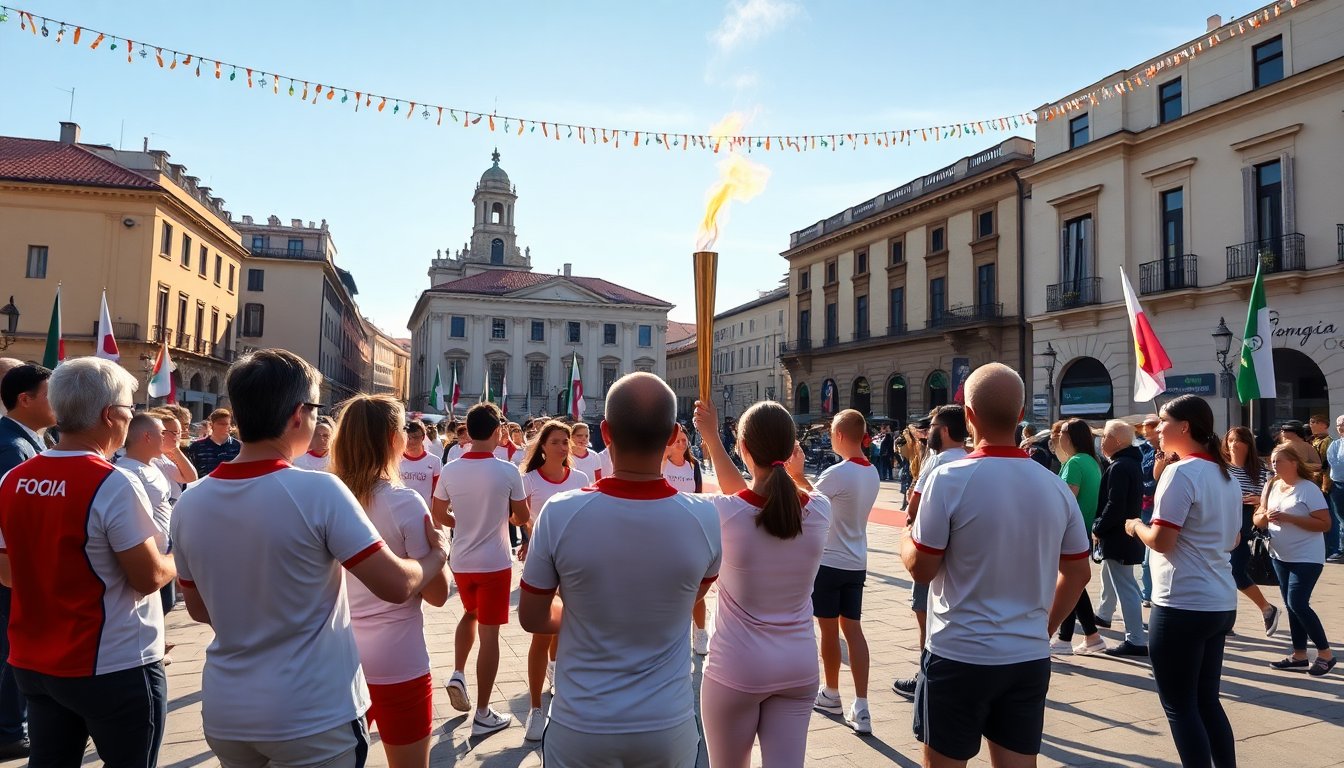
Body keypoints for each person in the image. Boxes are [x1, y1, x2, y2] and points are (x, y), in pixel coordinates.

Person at [171, 349, 449, 767]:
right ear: (298, 415)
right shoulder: (318, 491)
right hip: (311, 712)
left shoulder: (190, 501)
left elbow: (198, 609)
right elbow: (396, 585)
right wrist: (438, 556)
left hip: (228, 710)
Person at [518, 373, 721, 767]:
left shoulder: (560, 513)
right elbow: (682, 603)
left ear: (605, 433)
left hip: (581, 723)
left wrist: (584, 611)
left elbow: (532, 616)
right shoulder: (705, 519)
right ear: (672, 435)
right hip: (666, 724)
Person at [902, 363, 1091, 766]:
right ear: (1020, 414)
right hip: (1026, 656)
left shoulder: (948, 478)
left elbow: (922, 569)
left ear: (969, 415)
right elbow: (1078, 572)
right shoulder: (1056, 487)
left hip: (958, 652)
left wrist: (905, 540)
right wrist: (1045, 627)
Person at [0, 357, 175, 766]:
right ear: (110, 415)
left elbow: (8, 575)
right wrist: (181, 556)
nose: (131, 418)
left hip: (36, 661)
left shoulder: (13, 479)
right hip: (112, 662)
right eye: (130, 409)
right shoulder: (113, 482)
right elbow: (148, 577)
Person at [693, 398, 831, 768]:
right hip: (798, 666)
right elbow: (755, 499)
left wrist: (712, 439)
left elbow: (742, 502)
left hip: (737, 667)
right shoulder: (820, 510)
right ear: (791, 450)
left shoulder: (722, 513)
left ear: (743, 447)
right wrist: (716, 441)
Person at [331, 395, 451, 767]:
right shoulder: (404, 502)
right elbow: (437, 594)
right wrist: (440, 554)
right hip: (398, 659)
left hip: (336, 657)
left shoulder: (324, 497)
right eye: (402, 429)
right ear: (391, 439)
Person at [1124, 394, 1241, 768]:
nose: (1157, 428)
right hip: (1219, 601)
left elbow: (1162, 541)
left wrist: (1135, 526)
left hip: (1182, 602)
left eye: (1163, 421)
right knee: (1207, 700)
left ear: (1185, 427)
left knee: (1180, 705)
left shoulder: (1182, 472)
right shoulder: (1224, 474)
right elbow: (1234, 539)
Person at [431, 402, 528, 736]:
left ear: (469, 432)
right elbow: (521, 517)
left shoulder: (451, 469)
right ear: (498, 431)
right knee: (490, 635)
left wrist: (463, 522)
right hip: (494, 562)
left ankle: (458, 672)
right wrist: (503, 517)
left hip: (461, 560)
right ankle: (484, 712)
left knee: (470, 614)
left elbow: (439, 513)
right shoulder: (507, 471)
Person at [796, 408, 879, 733]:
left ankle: (831, 692)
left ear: (840, 435)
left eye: (832, 433)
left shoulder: (837, 472)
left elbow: (809, 502)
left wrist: (794, 473)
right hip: (857, 561)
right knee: (854, 630)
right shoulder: (871, 472)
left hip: (830, 562)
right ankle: (862, 705)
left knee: (829, 632)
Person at [516, 420, 590, 741]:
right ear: (543, 446)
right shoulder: (529, 479)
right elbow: (519, 517)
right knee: (541, 633)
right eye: (556, 441)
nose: (562, 446)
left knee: (563, 625)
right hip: (542, 562)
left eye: (565, 441)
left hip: (573, 562)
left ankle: (555, 669)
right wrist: (528, 538)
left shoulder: (581, 479)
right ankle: (535, 708)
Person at [893, 405, 969, 700]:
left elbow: (913, 507)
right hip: (958, 555)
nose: (928, 432)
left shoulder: (938, 461)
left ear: (945, 430)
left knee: (924, 611)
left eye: (933, 427)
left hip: (929, 548)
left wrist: (906, 535)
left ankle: (925, 676)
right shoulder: (969, 458)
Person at [0, 364, 55, 758]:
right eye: (50, 395)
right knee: (11, 650)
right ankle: (8, 731)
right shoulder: (13, 448)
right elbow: (15, 518)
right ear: (25, 399)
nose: (58, 403)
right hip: (11, 570)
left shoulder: (22, 440)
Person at [1254, 445, 1335, 676]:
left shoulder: (1308, 489)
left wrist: (1289, 518)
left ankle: (1325, 654)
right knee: (1291, 606)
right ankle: (1299, 655)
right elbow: (1257, 517)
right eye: (1272, 461)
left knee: (1298, 603)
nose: (1273, 465)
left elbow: (1325, 524)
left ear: (1294, 463)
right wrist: (1264, 516)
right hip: (1280, 556)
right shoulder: (1272, 485)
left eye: (1278, 461)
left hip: (1307, 557)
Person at [1091, 420, 1148, 657]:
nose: (1101, 441)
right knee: (1117, 580)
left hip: (1119, 537)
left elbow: (1115, 505)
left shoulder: (1120, 466)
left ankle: (1135, 639)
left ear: (1116, 441)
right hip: (1124, 536)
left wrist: (1098, 527)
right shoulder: (1128, 463)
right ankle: (1105, 614)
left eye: (1104, 436)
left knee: (1127, 588)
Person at [1051, 418, 1107, 656]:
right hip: (1083, 529)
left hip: (1070, 530)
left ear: (1072, 437)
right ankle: (1087, 636)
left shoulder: (1074, 462)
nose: (1059, 436)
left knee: (1070, 581)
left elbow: (1066, 500)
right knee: (1074, 581)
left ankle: (1069, 638)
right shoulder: (1091, 461)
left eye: (1062, 432)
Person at [115, 414, 176, 610]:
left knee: (167, 605)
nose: (166, 438)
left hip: (165, 554)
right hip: (149, 560)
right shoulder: (126, 472)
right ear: (147, 437)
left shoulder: (154, 465)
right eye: (162, 433)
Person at [1224, 427, 1281, 633]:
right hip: (1224, 521)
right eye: (1230, 440)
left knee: (1235, 571)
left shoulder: (1262, 471)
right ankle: (1226, 622)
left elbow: (1275, 497)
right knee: (1224, 574)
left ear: (1248, 444)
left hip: (1247, 524)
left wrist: (1259, 500)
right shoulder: (1221, 468)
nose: (1233, 444)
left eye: (1238, 440)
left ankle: (1267, 608)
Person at [663, 423, 710, 655]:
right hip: (665, 532)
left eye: (684, 440)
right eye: (677, 440)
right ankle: (673, 635)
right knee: (670, 587)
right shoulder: (662, 464)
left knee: (696, 585)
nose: (682, 444)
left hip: (690, 530)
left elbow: (699, 498)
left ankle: (700, 633)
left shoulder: (694, 466)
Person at [1306, 414, 1336, 560]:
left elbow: (1327, 466)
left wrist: (1325, 486)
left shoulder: (1327, 441)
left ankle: (1331, 549)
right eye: (1310, 422)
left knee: (1328, 518)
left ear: (1324, 424)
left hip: (1322, 485)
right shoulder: (1313, 440)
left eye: (1314, 422)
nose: (1311, 425)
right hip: (1312, 484)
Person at [398, 420, 442, 506]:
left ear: (423, 437)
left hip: (424, 510)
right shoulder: (395, 459)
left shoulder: (434, 461)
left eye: (415, 437)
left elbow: (437, 492)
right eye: (408, 438)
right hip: (400, 509)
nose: (411, 441)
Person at [186, 407, 241, 476]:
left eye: (227, 424)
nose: (225, 427)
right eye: (221, 424)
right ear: (211, 425)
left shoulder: (239, 447)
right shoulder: (197, 447)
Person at [1328, 414, 1344, 564]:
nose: (1341, 427)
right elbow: (1335, 465)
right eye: (1339, 425)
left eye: (1343, 424)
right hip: (1338, 485)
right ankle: (1341, 550)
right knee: (1341, 519)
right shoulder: (1335, 445)